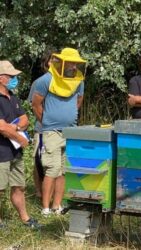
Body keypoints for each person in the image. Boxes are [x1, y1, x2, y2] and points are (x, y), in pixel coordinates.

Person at [31, 48, 86, 216]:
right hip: (51, 132)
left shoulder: (78, 81)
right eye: (70, 62)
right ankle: (45, 208)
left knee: (63, 171)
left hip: (69, 131)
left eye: (76, 63)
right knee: (52, 169)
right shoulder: (45, 80)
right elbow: (35, 104)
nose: (74, 66)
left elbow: (78, 102)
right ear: (61, 62)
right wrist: (47, 122)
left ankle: (57, 206)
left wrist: (67, 119)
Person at [0, 60, 41, 228]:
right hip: (1, 152)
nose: (14, 79)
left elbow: (25, 119)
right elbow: (1, 127)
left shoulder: (13, 97)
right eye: (11, 76)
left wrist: (15, 127)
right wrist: (21, 138)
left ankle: (25, 219)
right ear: (1, 78)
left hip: (15, 152)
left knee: (19, 186)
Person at [28, 50, 53, 198]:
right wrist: (46, 123)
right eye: (53, 59)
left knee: (55, 165)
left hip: (61, 130)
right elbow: (34, 105)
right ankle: (38, 192)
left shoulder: (66, 83)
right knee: (39, 162)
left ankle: (52, 196)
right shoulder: (39, 82)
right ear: (47, 62)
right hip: (42, 130)